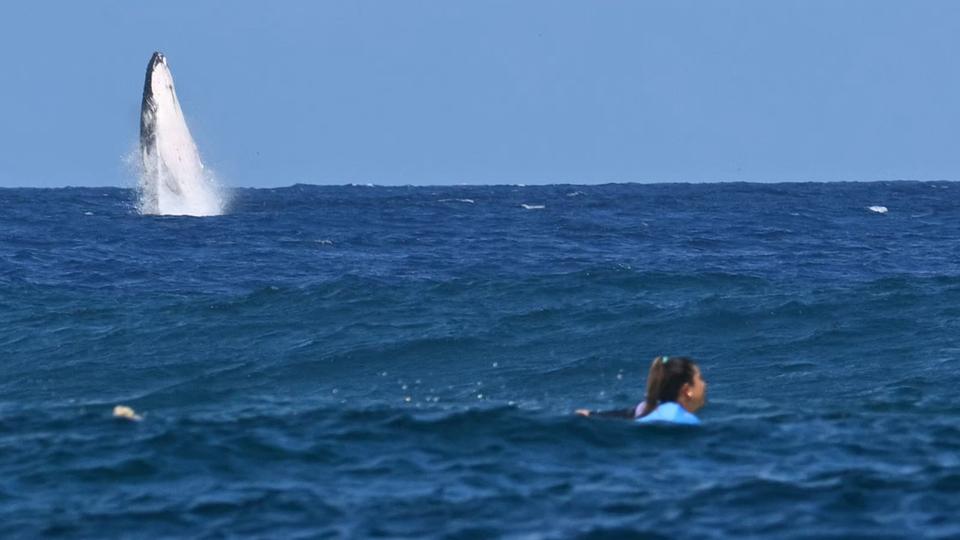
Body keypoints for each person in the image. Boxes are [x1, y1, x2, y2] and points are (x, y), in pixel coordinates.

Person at [575, 356, 707, 425]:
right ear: (686, 390)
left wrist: (591, 414)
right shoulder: (684, 420)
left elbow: (616, 415)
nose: (704, 384)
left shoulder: (645, 409)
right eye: (700, 378)